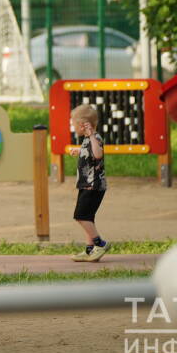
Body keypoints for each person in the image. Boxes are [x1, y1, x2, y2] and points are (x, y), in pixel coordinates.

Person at [70, 103, 110, 262]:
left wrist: (92, 135)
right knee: (88, 217)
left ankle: (100, 244)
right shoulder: (88, 140)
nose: (73, 127)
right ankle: (90, 250)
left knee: (81, 216)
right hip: (86, 185)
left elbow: (98, 154)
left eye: (74, 124)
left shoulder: (95, 138)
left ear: (82, 125)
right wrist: (79, 151)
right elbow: (91, 153)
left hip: (93, 186)